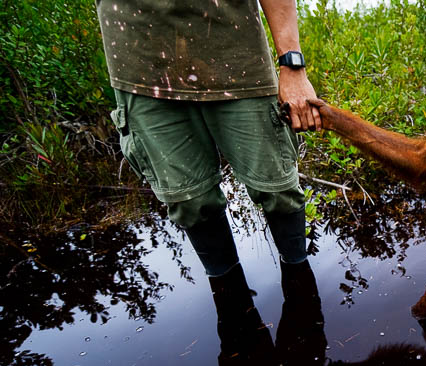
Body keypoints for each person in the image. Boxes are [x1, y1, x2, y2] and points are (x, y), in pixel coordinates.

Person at [96, 0, 322, 342]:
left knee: (277, 188)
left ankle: (301, 289)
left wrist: (292, 64)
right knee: (190, 201)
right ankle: (236, 322)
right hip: (138, 67)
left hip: (236, 54)